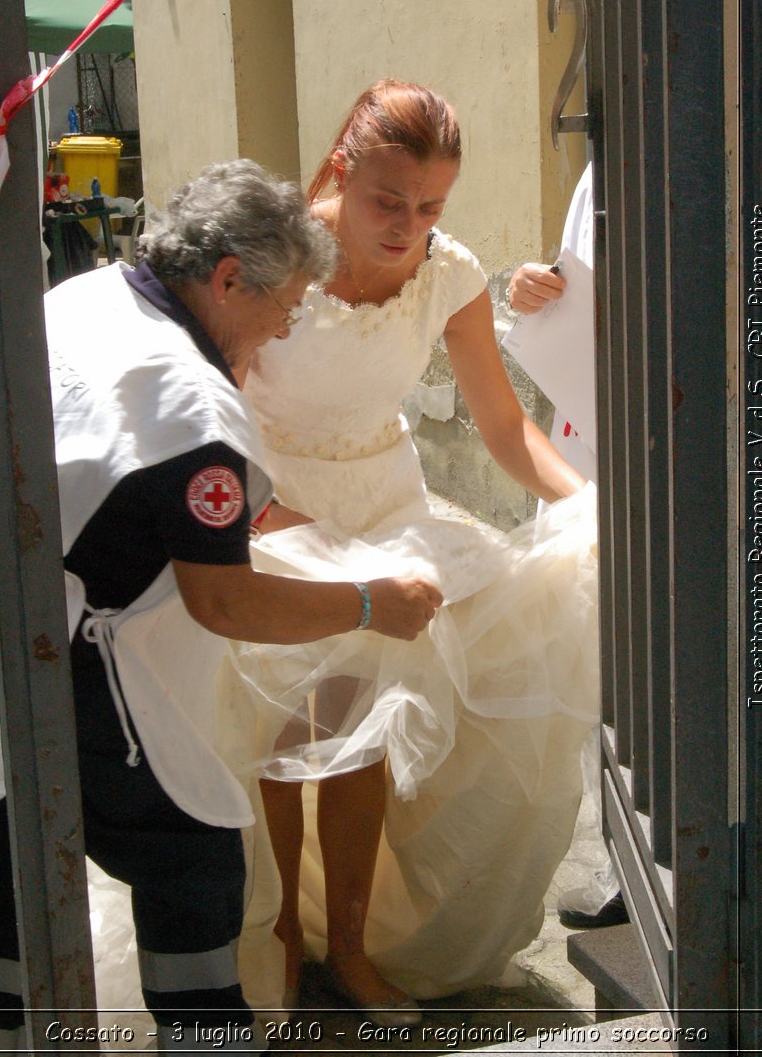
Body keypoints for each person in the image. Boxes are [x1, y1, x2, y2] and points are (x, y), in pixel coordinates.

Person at [0, 159, 442, 1054]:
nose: (282, 330)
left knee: (1, 895)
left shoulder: (86, 295)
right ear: (228, 279)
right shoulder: (196, 409)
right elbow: (225, 601)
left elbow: (127, 474)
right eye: (285, 305)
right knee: (190, 863)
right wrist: (367, 603)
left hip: (1, 608)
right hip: (52, 660)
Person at [222, 82, 600, 1020]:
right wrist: (262, 524)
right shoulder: (273, 254)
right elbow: (214, 410)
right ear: (341, 173)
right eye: (388, 201)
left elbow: (507, 430)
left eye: (430, 206)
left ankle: (349, 947)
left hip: (385, 506)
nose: (408, 226)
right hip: (266, 512)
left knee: (359, 732)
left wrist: (590, 505)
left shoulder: (448, 269)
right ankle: (272, 933)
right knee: (271, 733)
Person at [506, 160, 627, 929]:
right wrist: (534, 288)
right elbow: (572, 272)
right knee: (605, 648)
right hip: (596, 432)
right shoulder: (606, 160)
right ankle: (631, 862)